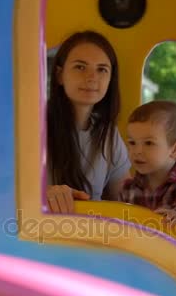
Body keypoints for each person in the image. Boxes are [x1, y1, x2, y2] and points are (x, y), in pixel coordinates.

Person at [46, 30, 131, 214]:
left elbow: (127, 199)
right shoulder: (31, 126)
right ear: (60, 75)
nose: (92, 77)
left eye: (102, 69)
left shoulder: (109, 134)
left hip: (93, 237)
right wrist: (43, 195)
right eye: (80, 67)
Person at [119, 100, 176, 234]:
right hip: (142, 251)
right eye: (132, 143)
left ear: (175, 149)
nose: (137, 151)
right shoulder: (128, 188)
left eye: (149, 143)